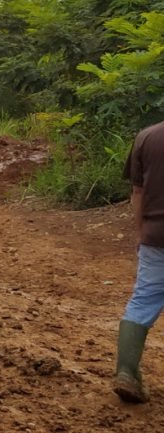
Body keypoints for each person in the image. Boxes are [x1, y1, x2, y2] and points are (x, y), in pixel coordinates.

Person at [113, 120, 164, 403]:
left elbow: (138, 194)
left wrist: (140, 232)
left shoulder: (146, 137)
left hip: (156, 236)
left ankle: (127, 372)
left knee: (143, 300)